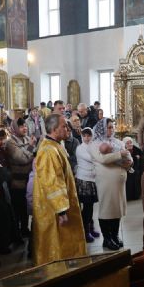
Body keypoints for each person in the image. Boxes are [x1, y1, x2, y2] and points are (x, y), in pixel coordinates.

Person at [33, 113, 86, 265]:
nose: (67, 128)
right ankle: (59, 273)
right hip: (55, 210)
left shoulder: (55, 145)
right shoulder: (49, 151)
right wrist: (61, 210)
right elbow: (52, 182)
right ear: (54, 129)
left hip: (63, 204)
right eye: (64, 126)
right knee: (58, 245)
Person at [89, 118, 132, 250]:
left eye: (112, 127)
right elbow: (102, 159)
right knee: (107, 209)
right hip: (105, 182)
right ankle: (107, 239)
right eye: (108, 127)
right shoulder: (95, 144)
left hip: (119, 182)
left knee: (117, 209)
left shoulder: (117, 142)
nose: (111, 129)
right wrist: (120, 154)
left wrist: (130, 162)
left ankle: (115, 236)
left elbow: (128, 155)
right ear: (101, 128)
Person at [6, 117, 36, 237]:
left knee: (26, 207)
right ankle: (17, 233)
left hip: (29, 180)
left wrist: (31, 151)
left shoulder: (27, 139)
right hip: (17, 182)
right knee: (18, 208)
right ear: (15, 128)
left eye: (25, 125)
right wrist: (31, 147)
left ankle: (24, 229)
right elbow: (22, 159)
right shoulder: (10, 142)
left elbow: (34, 155)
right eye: (21, 126)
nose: (24, 128)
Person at [75, 127, 100, 243]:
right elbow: (93, 158)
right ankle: (85, 232)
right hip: (83, 180)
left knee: (90, 207)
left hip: (92, 179)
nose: (86, 138)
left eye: (89, 135)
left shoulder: (94, 146)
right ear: (82, 136)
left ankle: (91, 228)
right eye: (84, 136)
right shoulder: (80, 148)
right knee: (87, 207)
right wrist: (98, 155)